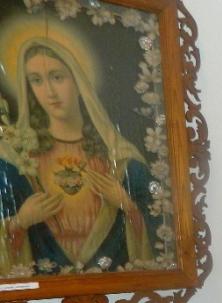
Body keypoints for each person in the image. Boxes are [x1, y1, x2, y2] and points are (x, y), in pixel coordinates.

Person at [0, 36, 158, 276]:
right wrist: (19, 222)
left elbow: (163, 230)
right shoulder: (14, 158)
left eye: (57, 77)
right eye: (36, 80)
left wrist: (127, 205)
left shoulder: (122, 157)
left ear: (77, 80)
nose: (49, 92)